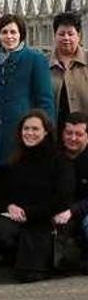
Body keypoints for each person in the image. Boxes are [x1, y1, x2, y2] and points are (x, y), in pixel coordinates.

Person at [0, 110, 74, 282]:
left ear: (46, 131)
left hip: (46, 219)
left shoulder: (59, 159)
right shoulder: (17, 158)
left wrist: (29, 214)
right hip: (20, 217)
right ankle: (14, 256)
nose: (29, 133)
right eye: (26, 128)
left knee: (30, 274)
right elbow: (4, 193)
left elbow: (62, 198)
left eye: (35, 129)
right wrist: (10, 206)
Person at [0, 14, 55, 214]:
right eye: (4, 32)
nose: (9, 36)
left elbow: (45, 100)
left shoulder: (35, 59)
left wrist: (47, 135)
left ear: (21, 34)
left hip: (24, 136)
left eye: (13, 32)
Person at [55, 112, 88, 269]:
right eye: (69, 133)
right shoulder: (54, 157)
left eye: (79, 134)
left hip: (82, 211)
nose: (73, 138)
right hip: (59, 212)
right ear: (62, 133)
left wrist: (72, 211)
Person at [48, 12, 88, 128]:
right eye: (61, 34)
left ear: (79, 36)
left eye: (70, 34)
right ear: (54, 35)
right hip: (54, 132)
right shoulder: (43, 64)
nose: (66, 38)